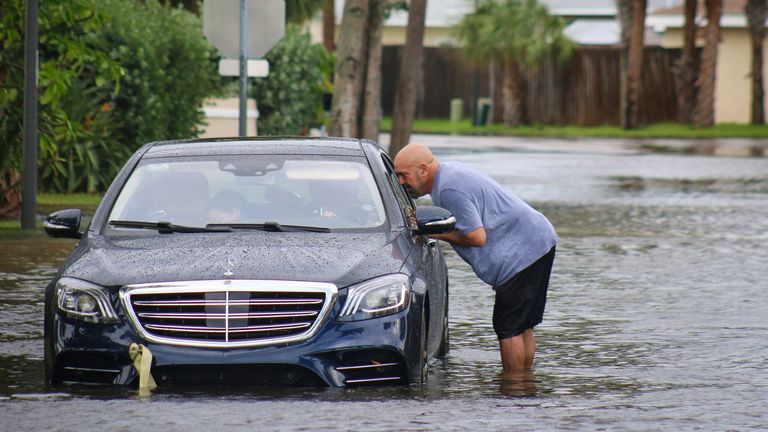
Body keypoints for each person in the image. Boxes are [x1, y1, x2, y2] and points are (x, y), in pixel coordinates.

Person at [394, 143, 557, 375]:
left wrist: (429, 231)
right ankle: (525, 386)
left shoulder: (449, 188)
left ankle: (513, 390)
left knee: (508, 326)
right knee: (522, 325)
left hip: (524, 250)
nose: (401, 182)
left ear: (423, 170)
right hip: (538, 241)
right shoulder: (450, 175)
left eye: (403, 175)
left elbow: (476, 237)